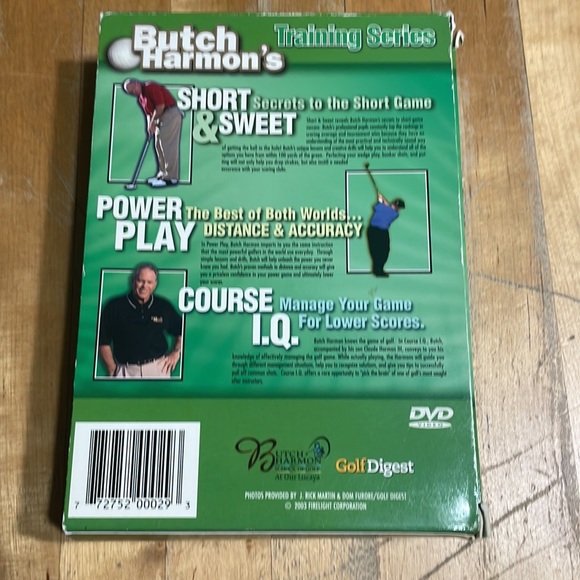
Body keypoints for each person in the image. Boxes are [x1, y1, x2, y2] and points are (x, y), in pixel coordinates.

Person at [98, 263, 183, 378]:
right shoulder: (114, 306)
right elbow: (102, 341)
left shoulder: (163, 306)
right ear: (133, 281)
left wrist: (176, 352)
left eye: (149, 282)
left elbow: (182, 330)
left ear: (155, 284)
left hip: (158, 369)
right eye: (141, 281)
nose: (144, 286)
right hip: (126, 372)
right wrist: (112, 369)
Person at [123, 78, 183, 188]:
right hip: (160, 117)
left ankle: (171, 178)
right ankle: (162, 174)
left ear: (137, 83)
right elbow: (148, 114)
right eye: (130, 92)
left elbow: (160, 106)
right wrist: (149, 126)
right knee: (158, 145)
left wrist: (152, 122)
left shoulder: (151, 87)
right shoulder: (141, 98)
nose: (133, 92)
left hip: (170, 113)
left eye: (133, 88)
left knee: (167, 145)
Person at [366, 191, 406, 277]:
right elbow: (387, 207)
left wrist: (381, 199)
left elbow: (377, 206)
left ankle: (376, 270)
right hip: (381, 233)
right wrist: (382, 200)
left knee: (375, 251)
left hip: (372, 231)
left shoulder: (380, 207)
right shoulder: (395, 214)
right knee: (383, 252)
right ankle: (378, 270)